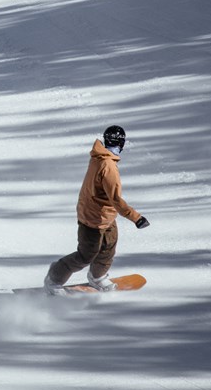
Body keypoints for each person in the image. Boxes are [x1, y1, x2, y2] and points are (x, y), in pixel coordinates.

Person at [43, 125, 149, 295]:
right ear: (122, 144)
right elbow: (116, 199)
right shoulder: (108, 165)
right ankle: (54, 278)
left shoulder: (100, 157)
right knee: (86, 254)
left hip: (105, 215)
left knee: (108, 248)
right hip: (93, 218)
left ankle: (97, 277)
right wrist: (137, 218)